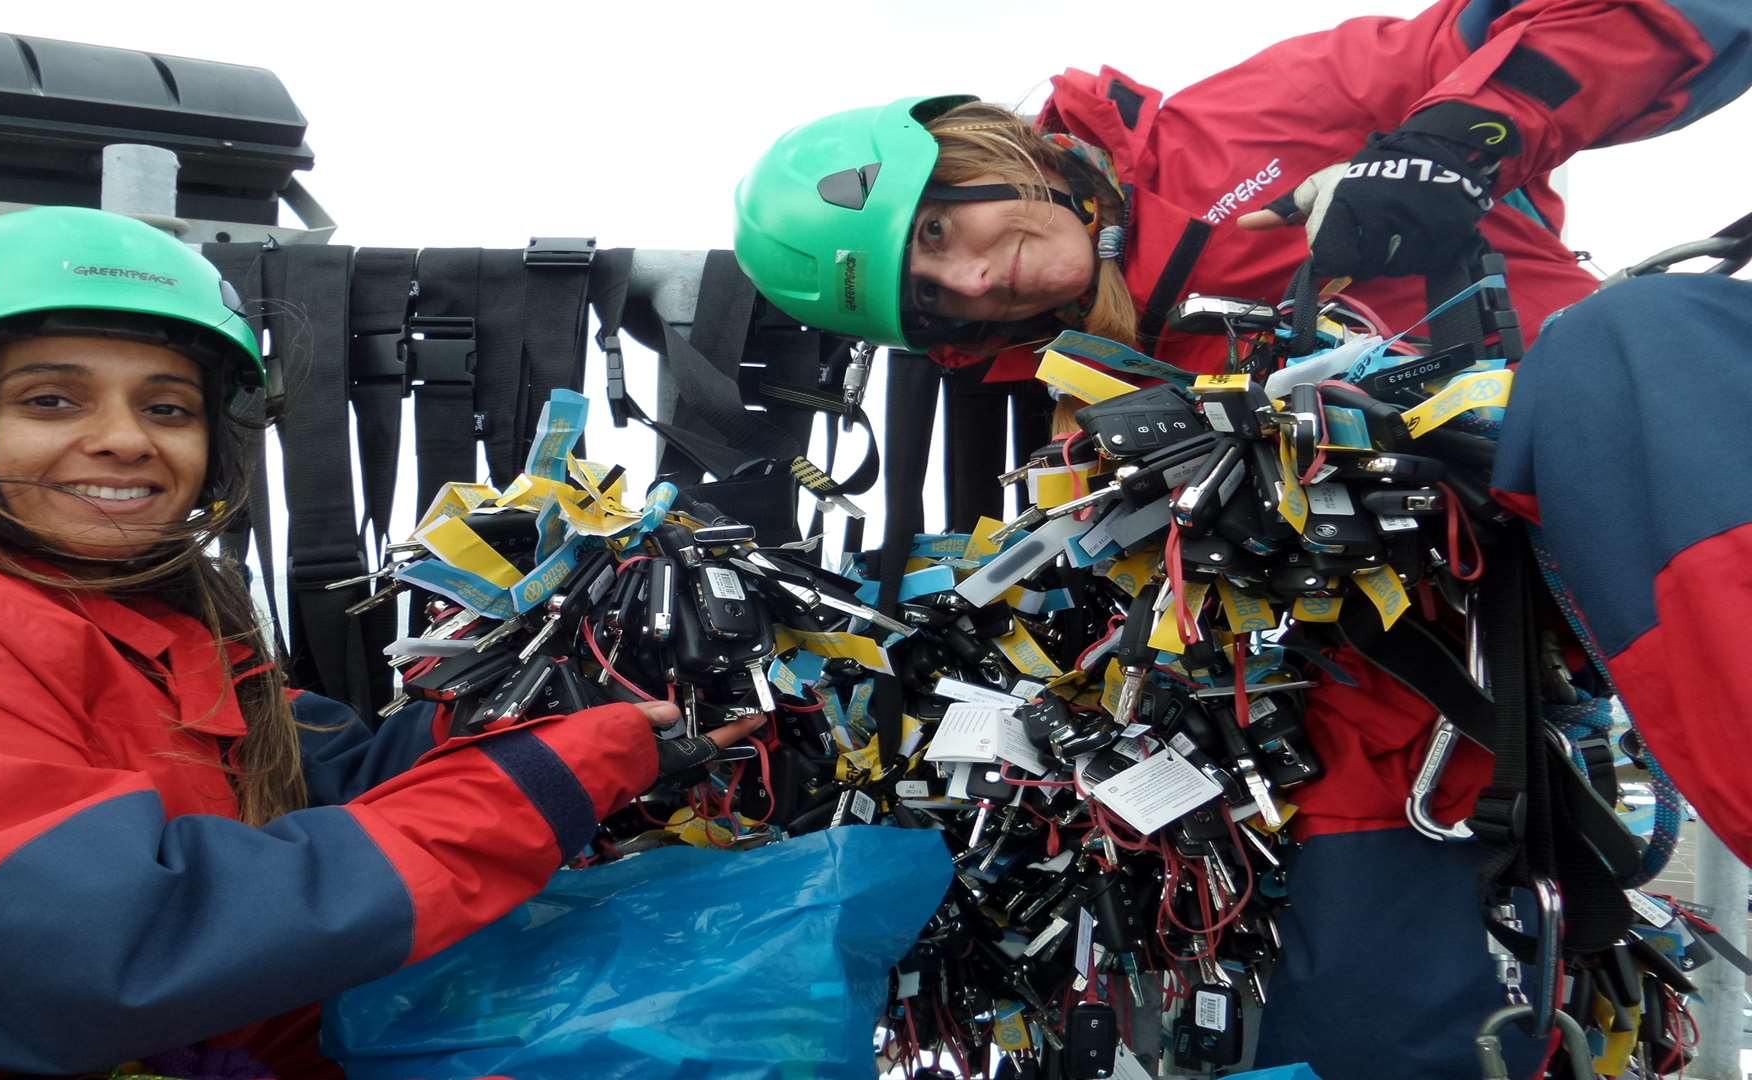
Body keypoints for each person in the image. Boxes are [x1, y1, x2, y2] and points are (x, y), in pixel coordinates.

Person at [733, 1, 1751, 1076]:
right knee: (1360, 984)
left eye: (937, 233)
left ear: (978, 154)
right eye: (933, 302)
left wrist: (1458, 140)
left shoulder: (1251, 124)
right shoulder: (1082, 393)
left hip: (1635, 486)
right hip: (1426, 657)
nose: (979, 281)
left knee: (1635, 341)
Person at [0, 205, 760, 1079]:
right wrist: (553, 778)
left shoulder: (152, 626)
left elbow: (338, 788)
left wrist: (540, 692)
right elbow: (120, 951)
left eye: (166, 409)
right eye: (50, 401)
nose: (123, 441)